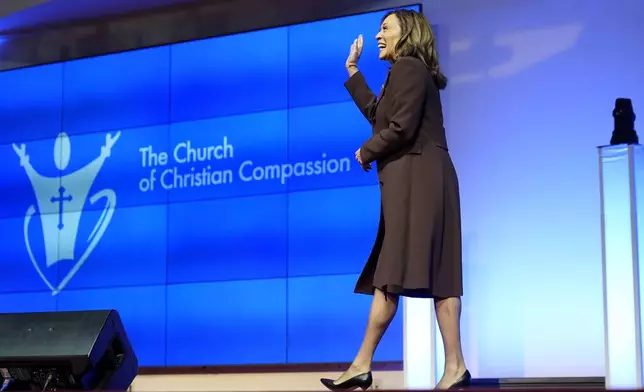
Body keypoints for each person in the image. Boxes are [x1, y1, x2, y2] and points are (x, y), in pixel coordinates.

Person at [320, 9, 470, 391]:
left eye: (385, 28)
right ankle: (453, 367)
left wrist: (367, 151)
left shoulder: (409, 68)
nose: (378, 35)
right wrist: (353, 72)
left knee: (394, 274)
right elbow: (380, 114)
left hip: (420, 180)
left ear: (408, 33)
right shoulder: (403, 74)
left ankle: (363, 364)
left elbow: (399, 128)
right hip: (421, 181)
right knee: (436, 274)